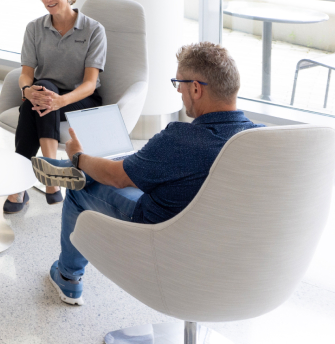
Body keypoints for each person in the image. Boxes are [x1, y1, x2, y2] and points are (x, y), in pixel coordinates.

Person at [31, 42, 264, 305]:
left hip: (166, 229)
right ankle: (88, 168)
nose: (179, 92)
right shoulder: (260, 138)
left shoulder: (180, 139)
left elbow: (118, 178)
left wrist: (77, 156)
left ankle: (68, 277)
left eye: (180, 84)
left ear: (196, 89)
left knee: (80, 188)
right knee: (149, 168)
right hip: (230, 248)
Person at [4, 0, 108, 213]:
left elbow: (90, 84)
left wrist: (61, 101)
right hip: (45, 93)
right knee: (42, 92)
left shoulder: (93, 29)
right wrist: (27, 90)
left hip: (80, 98)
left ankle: (20, 187)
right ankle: (51, 176)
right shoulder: (34, 28)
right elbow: (26, 74)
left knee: (41, 100)